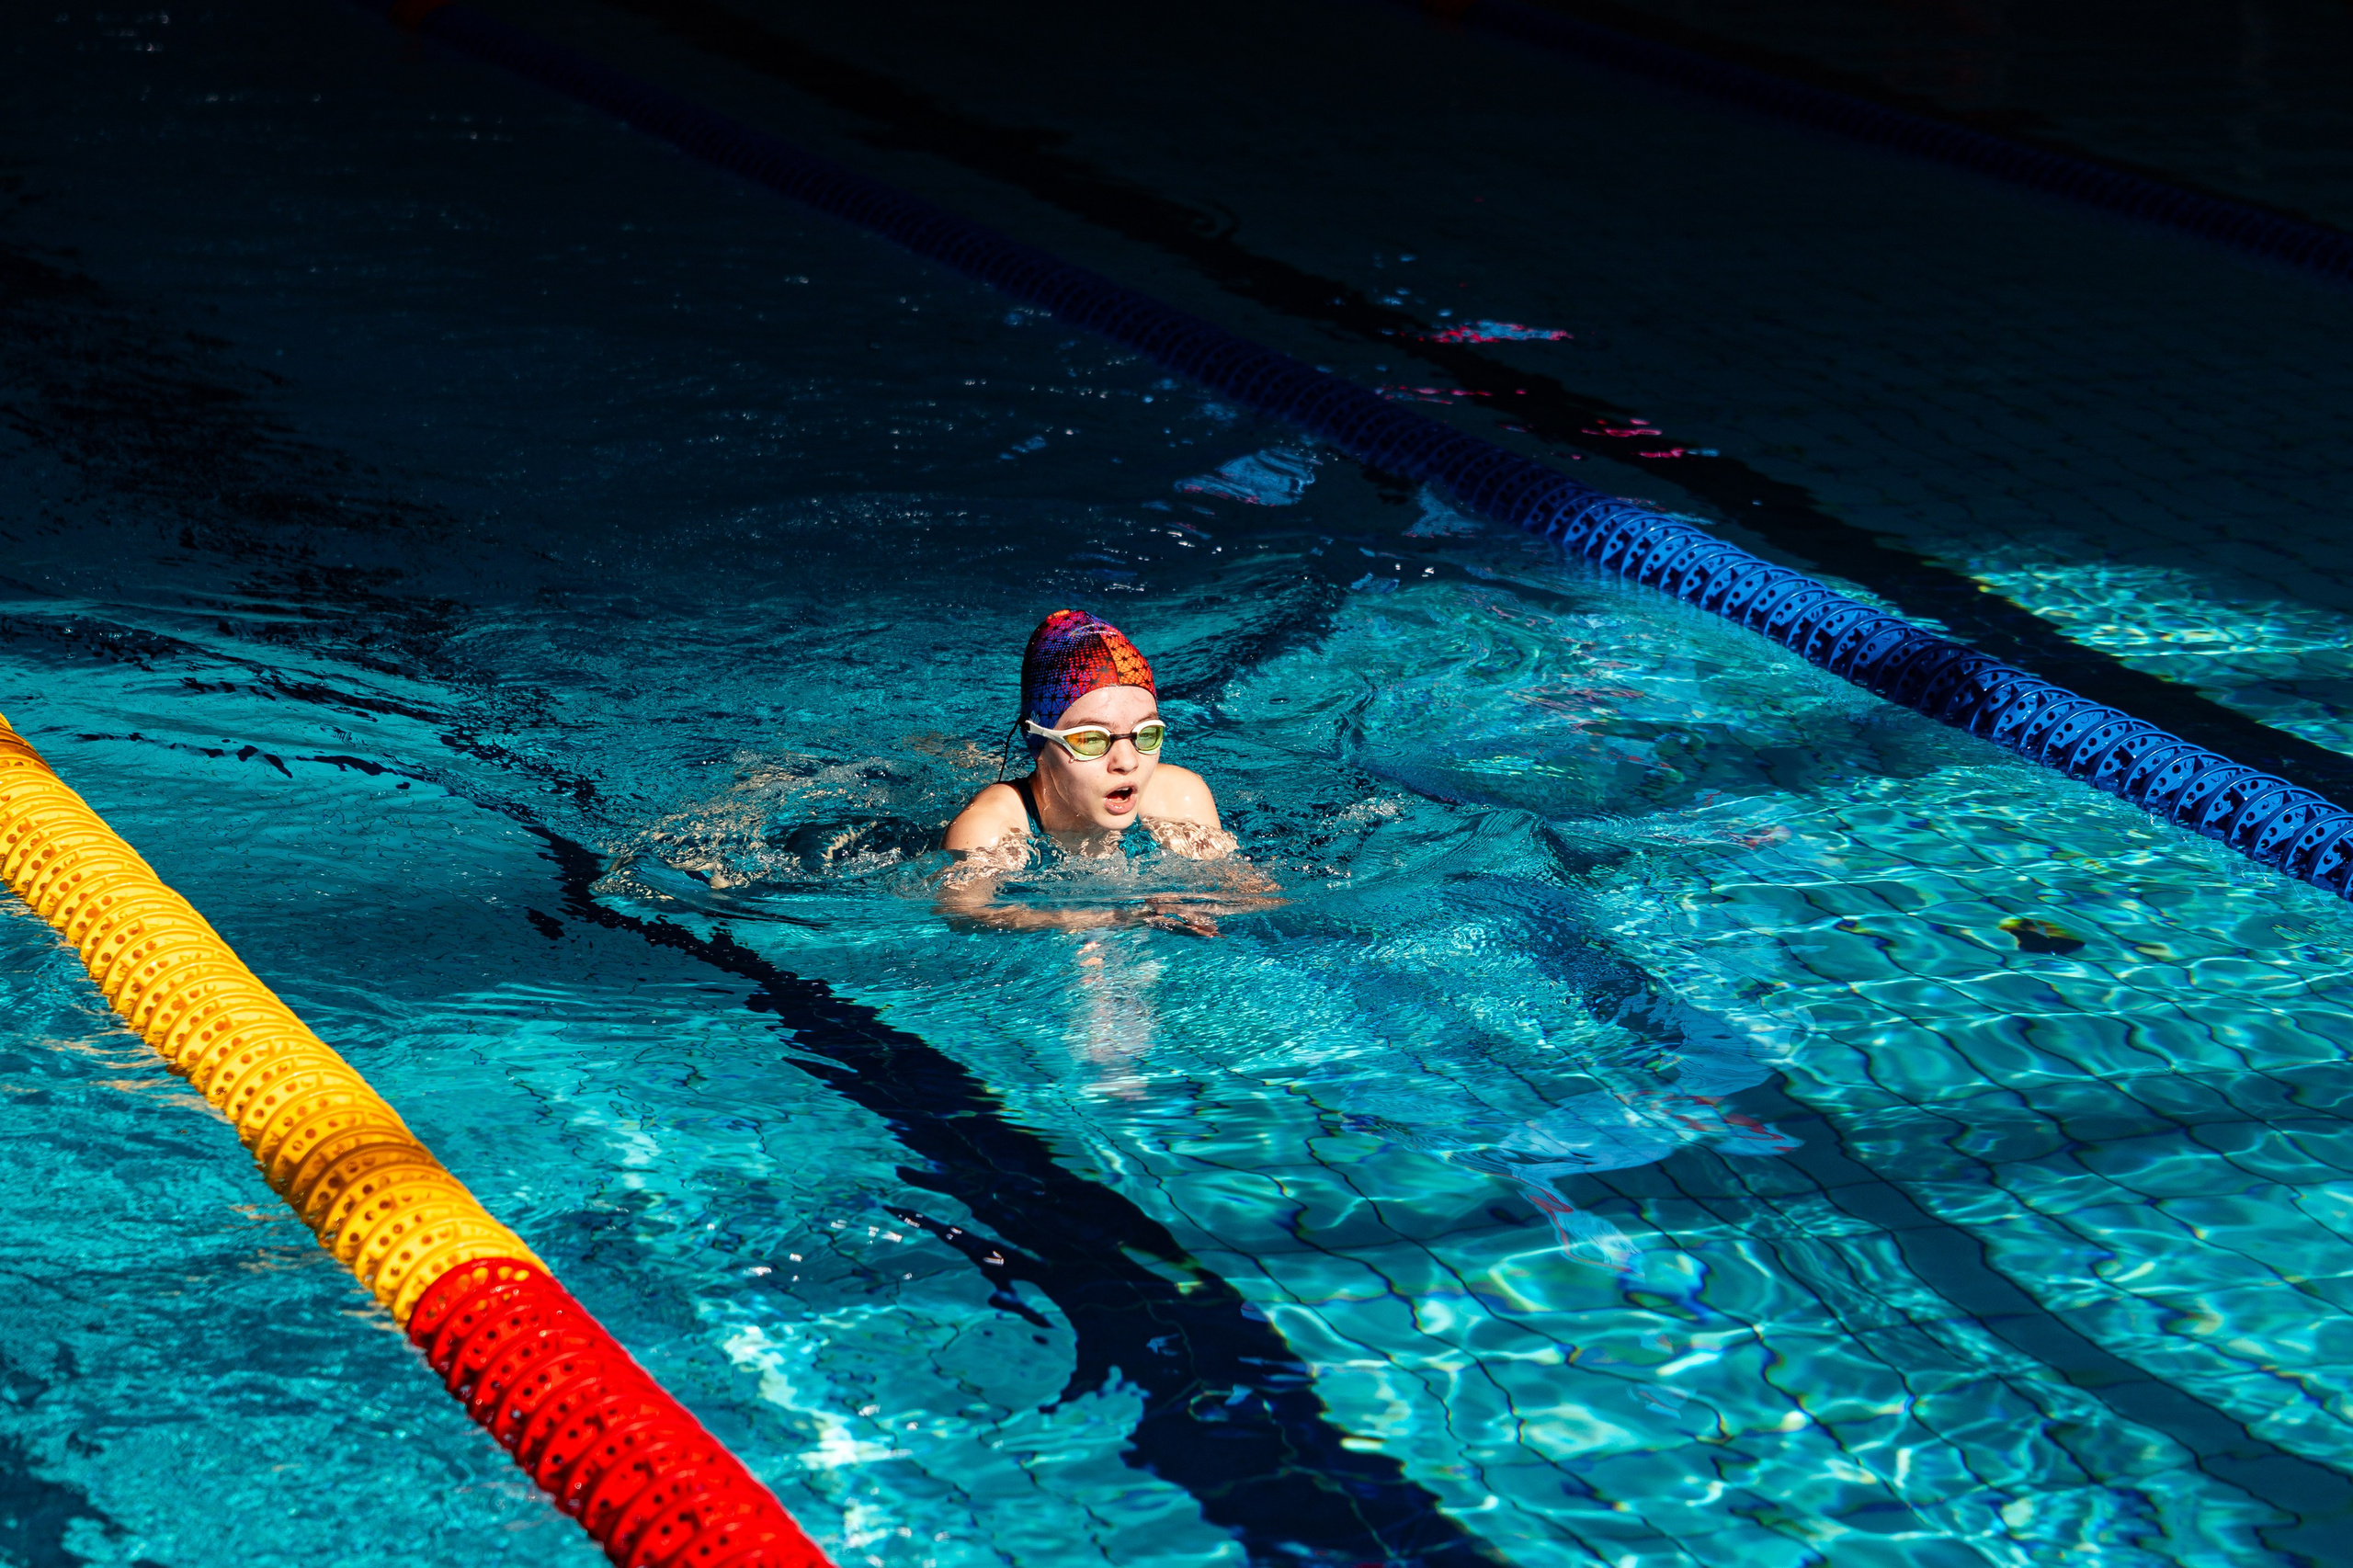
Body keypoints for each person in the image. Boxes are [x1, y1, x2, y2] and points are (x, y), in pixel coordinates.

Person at [940, 609, 1267, 930]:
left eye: (1146, 734)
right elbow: (965, 913)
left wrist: (1202, 903)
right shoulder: (990, 827)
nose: (1127, 761)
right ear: (1036, 744)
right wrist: (1091, 918)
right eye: (1090, 739)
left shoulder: (1179, 798)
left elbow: (1255, 895)